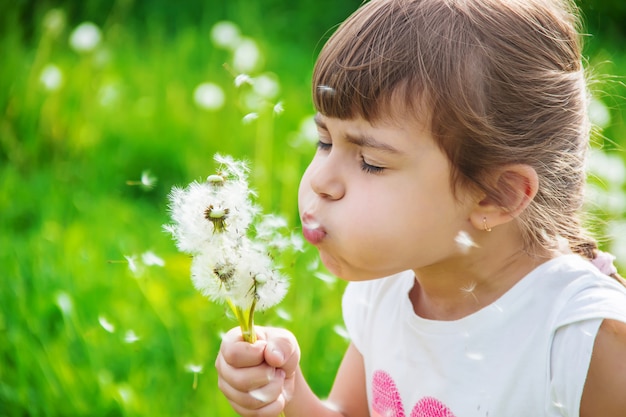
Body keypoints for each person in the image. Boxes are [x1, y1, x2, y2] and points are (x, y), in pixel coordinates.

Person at [215, 0, 626, 415]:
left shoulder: (584, 339)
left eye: (370, 163)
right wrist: (288, 389)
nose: (319, 181)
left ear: (495, 196)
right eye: (325, 141)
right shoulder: (387, 290)